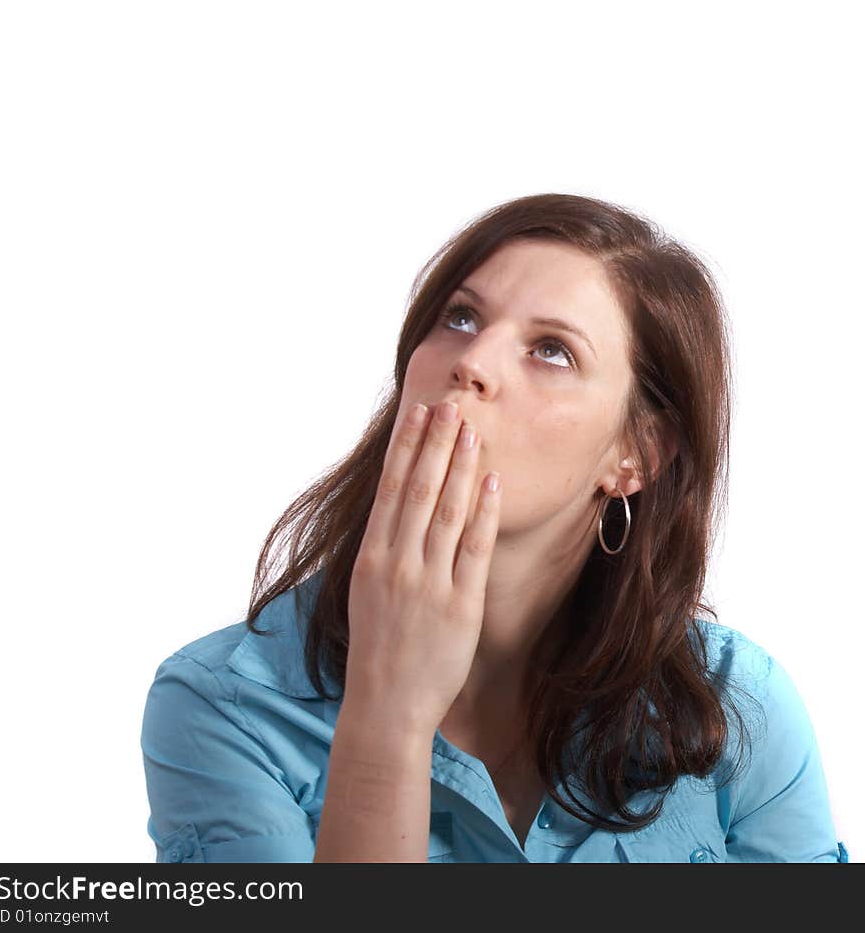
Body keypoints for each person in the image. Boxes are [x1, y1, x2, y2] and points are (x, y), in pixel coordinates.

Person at [141, 193, 848, 863]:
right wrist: (388, 718)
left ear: (636, 454)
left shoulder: (741, 707)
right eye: (460, 317)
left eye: (552, 350)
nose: (472, 365)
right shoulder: (219, 707)